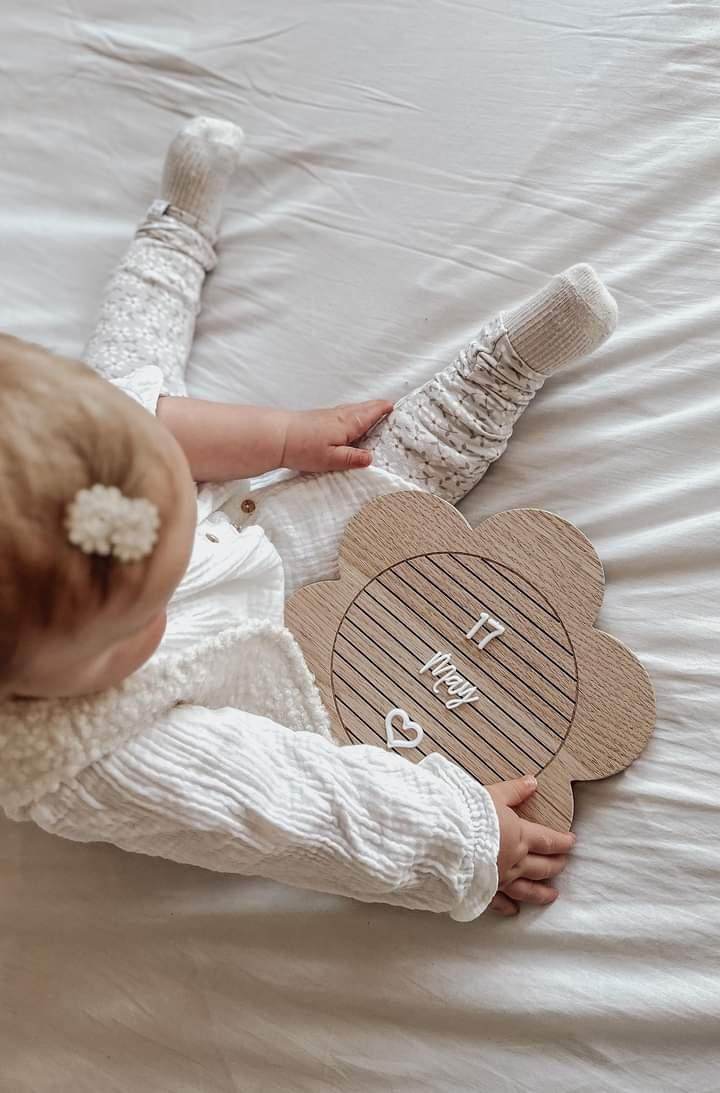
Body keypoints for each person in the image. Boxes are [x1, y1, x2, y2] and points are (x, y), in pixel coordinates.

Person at [0, 118, 617, 919]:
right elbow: (297, 808)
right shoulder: (96, 756)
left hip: (111, 477)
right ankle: (493, 378)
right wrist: (466, 840)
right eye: (132, 622)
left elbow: (145, 421)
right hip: (248, 622)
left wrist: (280, 437)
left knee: (122, 381)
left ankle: (174, 237)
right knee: (387, 491)